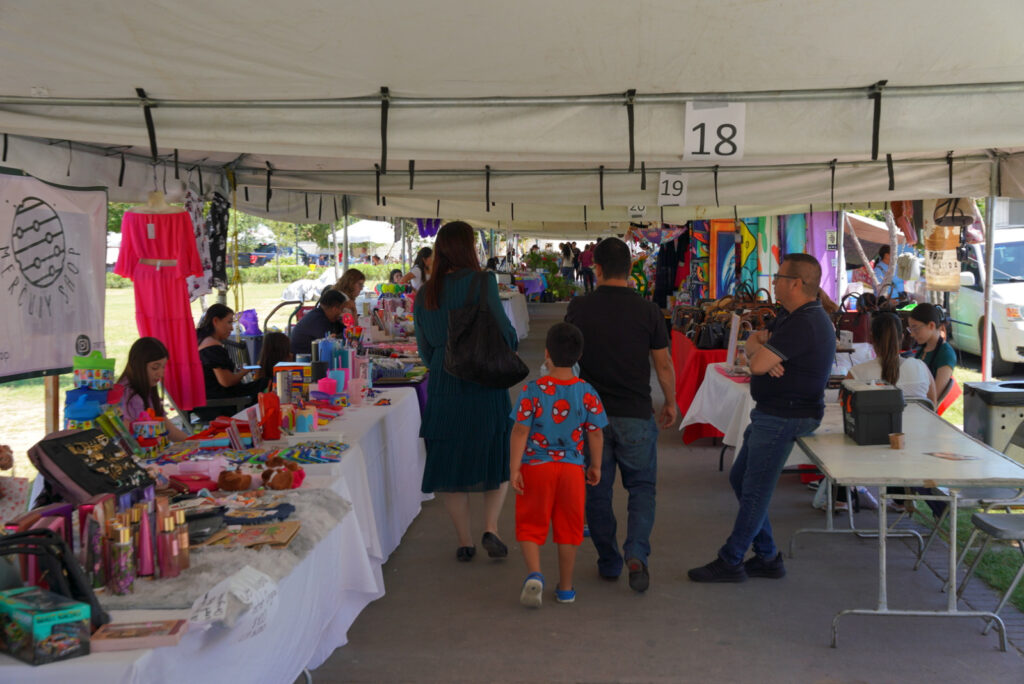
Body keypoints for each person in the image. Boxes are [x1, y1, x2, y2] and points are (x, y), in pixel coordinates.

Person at [688, 253, 835, 583]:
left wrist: (761, 357)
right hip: (773, 411)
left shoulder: (806, 321)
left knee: (755, 489)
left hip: (786, 414)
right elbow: (752, 343)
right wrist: (761, 354)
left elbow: (754, 362)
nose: (774, 282)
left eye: (779, 278)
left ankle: (732, 559)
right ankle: (767, 556)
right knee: (741, 478)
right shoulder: (790, 316)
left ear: (796, 284)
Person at [565, 237, 677, 592]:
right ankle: (637, 554)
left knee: (596, 490)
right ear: (630, 269)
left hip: (590, 418)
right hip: (635, 414)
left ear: (596, 268)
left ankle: (609, 560)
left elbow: (565, 362)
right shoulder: (648, 311)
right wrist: (670, 402)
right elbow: (663, 365)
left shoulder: (579, 308)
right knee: (642, 487)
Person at [413, 221, 518, 562]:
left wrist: (442, 360)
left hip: (444, 385)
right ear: (470, 247)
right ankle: (491, 528)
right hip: (484, 381)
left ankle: (464, 542)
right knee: (495, 457)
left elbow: (424, 350)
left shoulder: (424, 293)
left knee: (450, 466)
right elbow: (505, 332)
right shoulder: (483, 281)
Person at [510, 323, 606, 607]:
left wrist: (514, 468)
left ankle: (535, 574)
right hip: (572, 470)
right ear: (579, 356)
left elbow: (520, 431)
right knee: (569, 527)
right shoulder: (587, 391)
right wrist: (596, 466)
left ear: (546, 354)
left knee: (530, 522)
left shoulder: (532, 391)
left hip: (536, 467)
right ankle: (565, 589)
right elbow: (596, 433)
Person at [848, 313, 936, 404]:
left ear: (872, 338)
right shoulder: (921, 368)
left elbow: (842, 407)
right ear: (902, 337)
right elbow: (933, 407)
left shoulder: (855, 374)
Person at [195, 305, 267, 418]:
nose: (232, 328)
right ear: (215, 321)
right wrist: (244, 372)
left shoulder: (201, 341)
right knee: (267, 383)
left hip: (208, 400)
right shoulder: (212, 347)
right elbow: (226, 381)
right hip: (219, 404)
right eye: (229, 322)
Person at [116, 337, 190, 441]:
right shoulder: (127, 395)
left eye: (163, 367)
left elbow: (170, 430)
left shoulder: (147, 390)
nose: (161, 374)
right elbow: (127, 440)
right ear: (138, 365)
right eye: (155, 367)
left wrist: (198, 442)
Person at [290, 289, 347, 355]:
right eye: (342, 309)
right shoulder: (318, 320)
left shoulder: (323, 315)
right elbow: (331, 345)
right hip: (302, 359)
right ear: (334, 309)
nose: (342, 313)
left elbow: (346, 334)